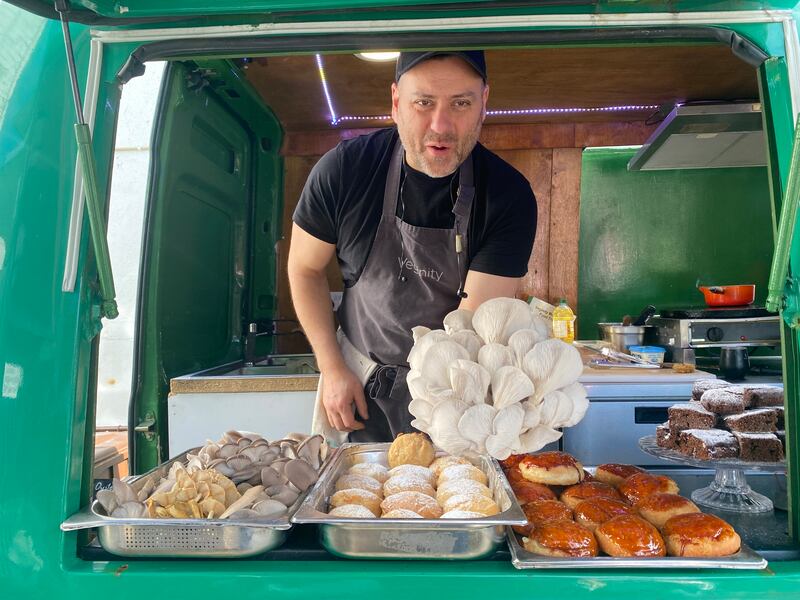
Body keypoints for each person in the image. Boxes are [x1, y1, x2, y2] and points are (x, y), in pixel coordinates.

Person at [288, 50, 537, 442]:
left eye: (461, 103)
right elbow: (304, 269)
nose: (441, 125)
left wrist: (442, 412)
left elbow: (470, 326)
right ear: (396, 101)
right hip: (354, 373)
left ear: (483, 103)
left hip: (451, 388)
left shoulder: (508, 196)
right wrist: (331, 366)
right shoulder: (344, 171)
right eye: (423, 103)